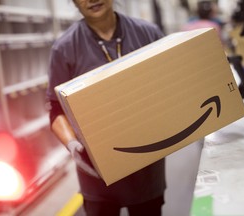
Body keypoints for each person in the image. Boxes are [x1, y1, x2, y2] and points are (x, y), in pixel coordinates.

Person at [46, 0, 166, 215]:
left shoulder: (148, 35)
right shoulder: (64, 49)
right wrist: (71, 143)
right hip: (97, 175)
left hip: (147, 170)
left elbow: (170, 84)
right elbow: (55, 109)